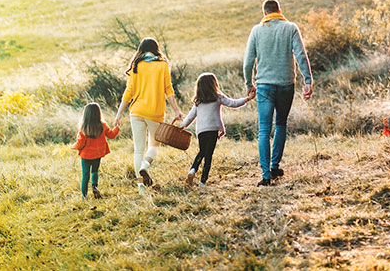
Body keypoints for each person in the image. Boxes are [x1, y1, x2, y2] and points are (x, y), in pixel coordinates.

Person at [243, 0, 313, 186]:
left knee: (264, 130)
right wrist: (308, 79)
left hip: (264, 85)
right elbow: (301, 55)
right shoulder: (290, 28)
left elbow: (248, 61)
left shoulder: (257, 30)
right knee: (281, 124)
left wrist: (249, 83)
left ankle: (266, 175)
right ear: (279, 11)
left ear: (264, 13)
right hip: (285, 85)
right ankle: (275, 166)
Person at [114, 38, 183, 192]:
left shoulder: (136, 65)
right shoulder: (162, 64)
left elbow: (129, 92)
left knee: (138, 150)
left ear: (141, 49)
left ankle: (140, 186)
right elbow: (168, 90)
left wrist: (118, 114)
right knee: (154, 146)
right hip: (154, 112)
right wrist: (177, 110)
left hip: (136, 111)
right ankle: (145, 166)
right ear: (156, 49)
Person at [181, 72, 256, 187]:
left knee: (201, 152)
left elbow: (190, 117)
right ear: (213, 85)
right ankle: (202, 182)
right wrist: (247, 99)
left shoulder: (198, 102)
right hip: (212, 130)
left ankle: (192, 170)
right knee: (208, 155)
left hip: (201, 131)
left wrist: (181, 126)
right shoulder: (218, 97)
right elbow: (233, 103)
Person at [71, 102, 120, 199]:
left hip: (86, 156)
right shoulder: (103, 125)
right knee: (95, 172)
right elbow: (111, 135)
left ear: (85, 114)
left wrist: (73, 147)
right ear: (98, 113)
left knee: (85, 175)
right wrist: (117, 128)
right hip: (97, 154)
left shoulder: (84, 128)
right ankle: (95, 188)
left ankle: (83, 196)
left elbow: (80, 143)